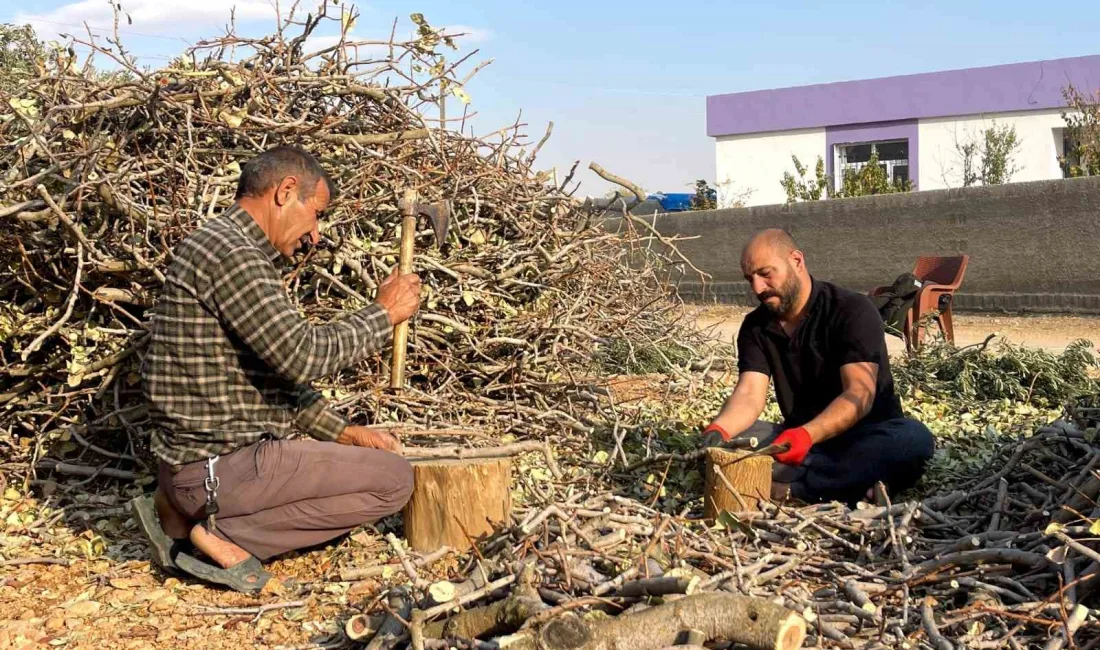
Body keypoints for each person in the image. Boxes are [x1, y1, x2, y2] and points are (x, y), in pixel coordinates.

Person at [131, 146, 420, 593]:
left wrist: (345, 432)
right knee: (394, 481)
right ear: (286, 192)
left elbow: (273, 377)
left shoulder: (222, 244)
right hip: (216, 471)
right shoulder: (234, 255)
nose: (316, 235)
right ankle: (212, 537)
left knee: (371, 464)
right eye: (317, 213)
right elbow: (303, 355)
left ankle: (177, 510)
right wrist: (384, 314)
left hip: (192, 471)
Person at [701, 228, 935, 507]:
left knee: (914, 439)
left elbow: (859, 395)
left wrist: (807, 434)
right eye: (750, 279)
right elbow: (750, 393)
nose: (757, 288)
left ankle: (790, 487)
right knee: (735, 439)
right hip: (798, 442)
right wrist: (719, 432)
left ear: (797, 261)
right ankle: (844, 484)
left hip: (864, 437)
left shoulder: (851, 310)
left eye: (765, 274)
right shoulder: (755, 326)